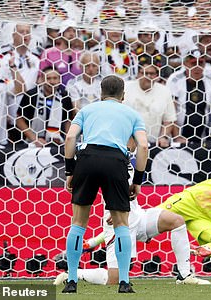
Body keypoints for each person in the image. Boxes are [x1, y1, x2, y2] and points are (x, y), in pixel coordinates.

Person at [62, 75, 149, 293]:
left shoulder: (87, 110)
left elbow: (70, 138)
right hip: (116, 162)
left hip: (87, 158)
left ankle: (71, 281)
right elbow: (144, 146)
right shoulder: (132, 114)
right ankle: (124, 282)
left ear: (101, 93)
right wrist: (137, 180)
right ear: (123, 95)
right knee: (121, 223)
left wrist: (70, 171)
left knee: (78, 222)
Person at [54, 168, 210, 286]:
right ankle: (72, 274)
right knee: (114, 279)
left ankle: (184, 275)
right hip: (117, 220)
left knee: (176, 221)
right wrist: (115, 210)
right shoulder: (107, 157)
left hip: (137, 216)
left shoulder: (129, 156)